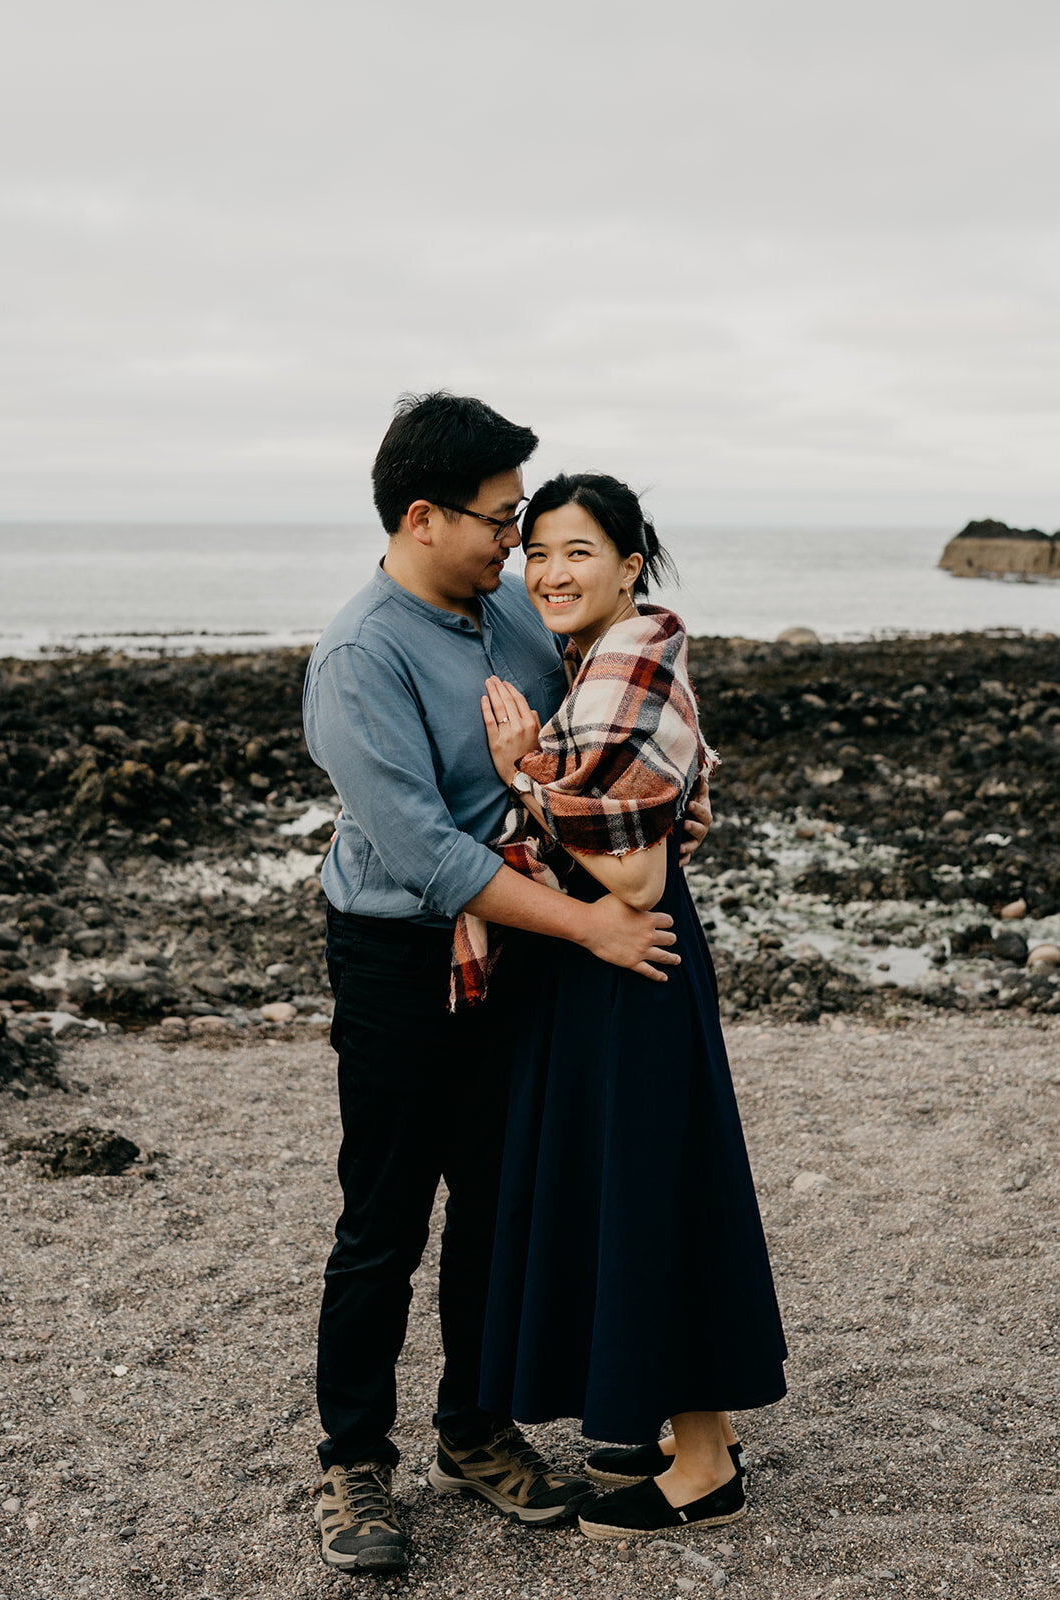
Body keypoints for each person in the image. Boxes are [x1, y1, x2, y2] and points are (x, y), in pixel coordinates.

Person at [302, 396, 711, 1576]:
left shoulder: (514, 621)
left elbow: (587, 757)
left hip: (516, 948)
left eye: (528, 518)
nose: (518, 542)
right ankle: (352, 1461)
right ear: (423, 518)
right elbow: (427, 853)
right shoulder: (359, 656)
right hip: (399, 956)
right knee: (384, 1217)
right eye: (501, 519)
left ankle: (475, 1429)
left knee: (497, 1197)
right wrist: (593, 925)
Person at [473, 472, 788, 1541]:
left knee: (656, 1187)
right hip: (615, 968)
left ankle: (703, 1466)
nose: (551, 572)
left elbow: (636, 882)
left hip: (633, 955)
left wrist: (523, 774)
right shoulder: (602, 659)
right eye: (537, 552)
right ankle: (695, 1431)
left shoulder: (628, 666)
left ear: (628, 564)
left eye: (576, 552)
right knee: (653, 1177)